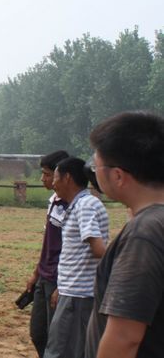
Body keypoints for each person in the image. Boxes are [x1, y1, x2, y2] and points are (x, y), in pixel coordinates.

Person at [85, 111, 164, 358]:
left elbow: (125, 337)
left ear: (118, 176)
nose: (94, 172)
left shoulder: (144, 234)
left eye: (96, 166)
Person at [43, 157, 110, 358]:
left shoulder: (85, 205)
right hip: (72, 292)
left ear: (67, 178)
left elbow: (98, 249)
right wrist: (61, 288)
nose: (52, 182)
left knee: (60, 351)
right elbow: (76, 253)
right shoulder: (78, 205)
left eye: (55, 177)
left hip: (79, 297)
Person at [26, 150, 69, 357]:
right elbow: (48, 242)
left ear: (63, 175)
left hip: (58, 280)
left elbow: (74, 249)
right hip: (45, 276)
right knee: (38, 333)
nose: (43, 179)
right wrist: (36, 272)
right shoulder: (53, 201)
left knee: (56, 337)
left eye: (47, 174)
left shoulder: (76, 206)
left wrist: (63, 284)